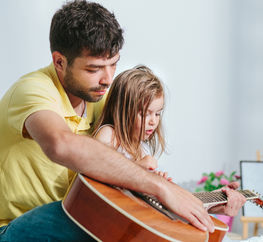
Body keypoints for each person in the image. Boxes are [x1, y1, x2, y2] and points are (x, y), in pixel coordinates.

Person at [0, 0, 246, 241]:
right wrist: (160, 188)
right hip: (17, 227)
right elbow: (61, 144)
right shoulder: (32, 90)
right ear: (60, 62)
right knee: (98, 220)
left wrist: (195, 203)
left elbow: (122, 188)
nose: (107, 79)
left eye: (113, 64)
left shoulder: (100, 98)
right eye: (94, 69)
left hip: (81, 217)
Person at [93, 65, 171, 181]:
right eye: (145, 114)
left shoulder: (143, 149)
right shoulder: (110, 135)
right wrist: (137, 167)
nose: (153, 121)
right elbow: (95, 169)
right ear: (122, 111)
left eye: (157, 114)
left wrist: (155, 179)